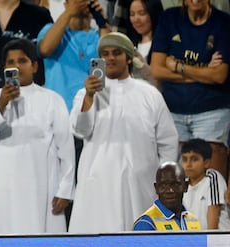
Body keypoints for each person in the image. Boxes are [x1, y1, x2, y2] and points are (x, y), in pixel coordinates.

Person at [69, 32, 178, 233]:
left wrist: (164, 180)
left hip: (140, 183)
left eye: (116, 53)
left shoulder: (149, 94)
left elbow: (168, 141)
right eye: (105, 53)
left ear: (128, 57)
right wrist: (89, 97)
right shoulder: (85, 94)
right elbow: (79, 129)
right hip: (98, 182)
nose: (110, 58)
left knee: (141, 239)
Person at [0, 39, 75, 234]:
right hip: (2, 184)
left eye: (22, 61)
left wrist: (65, 189)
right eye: (10, 62)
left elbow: (65, 148)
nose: (16, 66)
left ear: (34, 66)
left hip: (41, 186)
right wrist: (2, 103)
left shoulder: (52, 99)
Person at [150, 0, 230, 179]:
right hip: (173, 112)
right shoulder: (169, 18)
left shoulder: (223, 23)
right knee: (177, 188)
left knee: (210, 185)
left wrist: (178, 67)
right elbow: (156, 69)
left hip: (211, 113)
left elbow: (219, 76)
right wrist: (204, 72)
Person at [37, 0, 110, 111]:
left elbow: (110, 60)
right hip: (59, 113)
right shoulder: (50, 30)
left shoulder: (100, 34)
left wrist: (102, 22)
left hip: (92, 113)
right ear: (66, 4)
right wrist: (68, 13)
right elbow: (44, 49)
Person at [133, 161, 202, 230]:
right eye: (163, 186)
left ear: (185, 186)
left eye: (175, 185)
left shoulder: (194, 220)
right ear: (156, 188)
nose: (170, 190)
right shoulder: (146, 223)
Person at [180, 139, 229, 230]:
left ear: (206, 162)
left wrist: (210, 240)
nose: (188, 164)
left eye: (194, 159)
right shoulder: (182, 184)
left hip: (218, 239)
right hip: (196, 239)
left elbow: (214, 212)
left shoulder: (212, 178)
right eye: (185, 159)